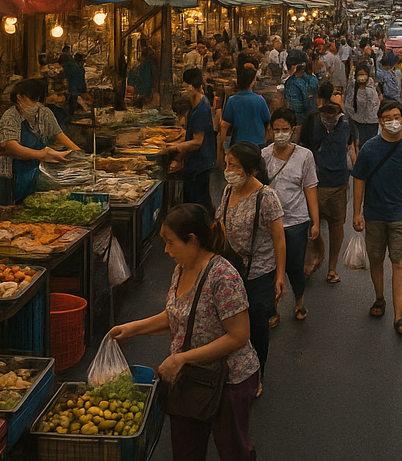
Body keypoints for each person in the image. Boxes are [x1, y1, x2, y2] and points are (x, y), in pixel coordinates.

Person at [109, 204, 259, 461]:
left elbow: (239, 336)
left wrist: (182, 358)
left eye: (170, 242)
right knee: (186, 448)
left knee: (233, 450)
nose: (166, 251)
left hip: (228, 378)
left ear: (193, 240)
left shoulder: (223, 277)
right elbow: (177, 317)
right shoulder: (181, 268)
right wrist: (133, 329)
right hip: (191, 378)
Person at [351, 98, 402, 334]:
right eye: (388, 119)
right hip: (374, 215)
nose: (393, 122)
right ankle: (379, 297)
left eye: (396, 117)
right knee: (375, 259)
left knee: (400, 262)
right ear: (380, 122)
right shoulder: (369, 149)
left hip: (401, 215)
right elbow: (359, 180)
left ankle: (399, 316)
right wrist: (356, 213)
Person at [217, 141, 286, 398]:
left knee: (257, 328)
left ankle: (257, 375)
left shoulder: (266, 196)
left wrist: (280, 276)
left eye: (233, 165)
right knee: (230, 326)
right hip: (229, 272)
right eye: (227, 164)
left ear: (250, 169)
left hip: (258, 273)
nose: (228, 170)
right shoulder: (228, 190)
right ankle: (232, 372)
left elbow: (279, 238)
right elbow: (220, 224)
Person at [260, 109, 319, 323]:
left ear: (293, 130)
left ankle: (299, 299)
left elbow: (310, 188)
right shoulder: (263, 156)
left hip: (296, 221)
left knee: (294, 266)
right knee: (270, 267)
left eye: (285, 129)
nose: (281, 133)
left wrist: (315, 222)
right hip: (269, 223)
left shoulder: (305, 156)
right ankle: (273, 308)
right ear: (270, 131)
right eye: (277, 130)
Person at [0, 78, 81, 204]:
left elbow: (58, 134)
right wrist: (43, 154)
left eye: (37, 100)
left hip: (38, 171)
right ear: (19, 97)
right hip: (14, 174)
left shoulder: (44, 113)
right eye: (32, 100)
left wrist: (79, 153)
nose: (36, 104)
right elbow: (11, 147)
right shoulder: (10, 117)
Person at [306, 102, 356, 285]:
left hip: (339, 184)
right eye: (325, 116)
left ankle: (332, 268)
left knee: (336, 225)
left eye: (332, 117)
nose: (328, 120)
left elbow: (352, 145)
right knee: (313, 226)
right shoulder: (313, 123)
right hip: (316, 184)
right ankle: (314, 258)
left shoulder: (346, 125)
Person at [171, 69, 216, 214]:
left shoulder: (202, 108)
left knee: (197, 205)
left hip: (200, 164)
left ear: (191, 86)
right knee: (200, 202)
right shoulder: (194, 104)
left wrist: (173, 147)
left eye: (185, 85)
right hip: (196, 162)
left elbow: (197, 142)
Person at [221, 64, 272, 149]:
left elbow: (225, 125)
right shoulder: (260, 100)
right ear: (251, 83)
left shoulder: (232, 101)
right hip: (257, 143)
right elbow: (267, 122)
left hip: (238, 143)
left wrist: (221, 147)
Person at [282, 51, 318, 147]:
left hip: (300, 128)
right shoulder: (313, 79)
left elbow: (294, 109)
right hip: (316, 125)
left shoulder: (291, 83)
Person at [345, 64, 380, 146]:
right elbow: (348, 104)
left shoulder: (371, 89)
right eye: (360, 75)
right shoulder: (352, 88)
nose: (362, 77)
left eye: (364, 75)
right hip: (357, 122)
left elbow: (374, 105)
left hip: (372, 123)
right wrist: (354, 117)